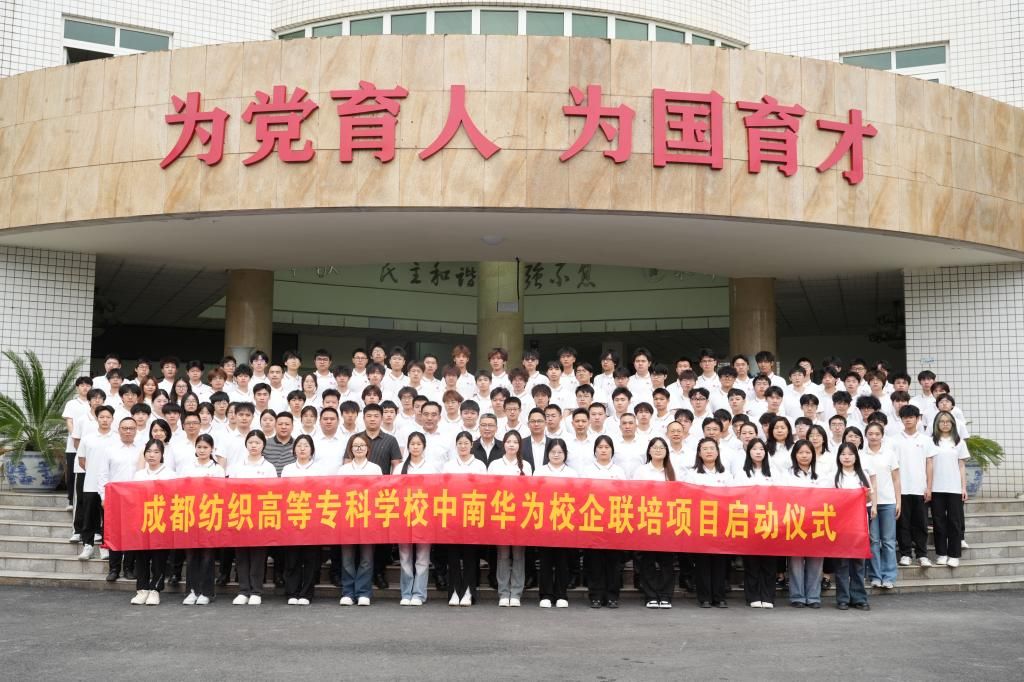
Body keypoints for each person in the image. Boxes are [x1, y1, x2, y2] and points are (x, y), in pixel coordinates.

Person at [227, 430, 278, 605]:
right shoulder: (237, 466)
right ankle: (243, 590)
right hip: (240, 514)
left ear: (263, 445)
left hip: (260, 516)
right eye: (251, 442)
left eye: (257, 442)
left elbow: (273, 492)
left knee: (258, 555)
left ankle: (256, 590)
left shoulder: (268, 467)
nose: (254, 445)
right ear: (246, 444)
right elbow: (230, 490)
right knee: (241, 554)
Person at [487, 430, 533, 606]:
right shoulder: (495, 465)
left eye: (515, 442)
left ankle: (516, 593)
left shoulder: (526, 466)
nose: (512, 445)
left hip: (520, 516)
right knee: (503, 555)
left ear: (520, 445)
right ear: (504, 444)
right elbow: (489, 490)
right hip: (501, 514)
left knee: (519, 554)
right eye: (508, 441)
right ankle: (503, 593)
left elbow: (529, 492)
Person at [177, 434, 223, 606]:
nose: (202, 450)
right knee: (191, 556)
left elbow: (220, 492)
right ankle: (192, 590)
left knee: (207, 556)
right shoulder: (187, 467)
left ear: (212, 449)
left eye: (205, 447)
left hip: (209, 516)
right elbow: (179, 489)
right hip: (190, 515)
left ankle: (206, 591)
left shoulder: (217, 469)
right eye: (199, 447)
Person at [337, 433, 383, 606]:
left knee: (366, 558)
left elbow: (379, 494)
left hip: (368, 518)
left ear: (368, 449)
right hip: (348, 518)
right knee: (347, 558)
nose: (359, 449)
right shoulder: (344, 470)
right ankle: (348, 592)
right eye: (355, 446)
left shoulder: (375, 469)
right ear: (350, 449)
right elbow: (338, 493)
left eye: (362, 446)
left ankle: (363, 592)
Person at [129, 439, 176, 605]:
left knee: (159, 557)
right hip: (142, 521)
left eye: (156, 452)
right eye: (149, 451)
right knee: (141, 556)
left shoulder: (170, 474)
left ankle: (155, 589)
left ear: (162, 454)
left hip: (161, 521)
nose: (152, 455)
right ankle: (142, 589)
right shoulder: (139, 475)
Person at [442, 431, 486, 606]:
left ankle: (468, 591)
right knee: (452, 555)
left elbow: (484, 489)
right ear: (456, 445)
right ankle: (454, 591)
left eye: (466, 443)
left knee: (470, 555)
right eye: (460, 443)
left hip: (472, 514)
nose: (463, 446)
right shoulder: (448, 465)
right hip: (452, 514)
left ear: (471, 445)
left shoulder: (480, 465)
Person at [632, 437, 677, 609]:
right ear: (649, 450)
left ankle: (665, 595)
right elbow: (634, 494)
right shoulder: (641, 471)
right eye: (655, 447)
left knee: (667, 561)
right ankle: (650, 595)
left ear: (666, 451)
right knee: (647, 560)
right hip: (647, 519)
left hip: (668, 521)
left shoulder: (672, 471)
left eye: (661, 447)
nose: (658, 450)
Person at [582, 435, 626, 608]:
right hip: (593, 520)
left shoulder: (619, 471)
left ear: (612, 450)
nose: (603, 450)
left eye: (607, 447)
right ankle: (596, 595)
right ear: (595, 450)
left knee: (613, 561)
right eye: (600, 447)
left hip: (613, 520)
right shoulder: (587, 470)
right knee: (594, 561)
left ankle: (612, 595)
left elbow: (624, 495)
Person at [689, 437, 732, 608]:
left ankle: (719, 596)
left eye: (712, 448)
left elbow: (733, 497)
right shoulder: (692, 475)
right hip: (700, 523)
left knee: (720, 561)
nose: (709, 451)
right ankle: (704, 597)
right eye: (705, 449)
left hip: (722, 523)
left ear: (717, 452)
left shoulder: (726, 474)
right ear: (699, 453)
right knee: (703, 562)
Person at [534, 438, 577, 608]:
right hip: (545, 521)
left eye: (560, 452)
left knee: (562, 560)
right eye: (553, 452)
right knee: (545, 559)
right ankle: (545, 594)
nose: (556, 455)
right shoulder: (540, 471)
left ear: (565, 454)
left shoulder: (572, 473)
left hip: (565, 521)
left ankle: (561, 594)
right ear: (548, 453)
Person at [834, 442, 876, 611]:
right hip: (840, 526)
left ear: (856, 457)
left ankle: (859, 598)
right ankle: (843, 598)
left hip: (859, 526)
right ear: (838, 457)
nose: (847, 457)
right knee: (842, 563)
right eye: (843, 454)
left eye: (850, 454)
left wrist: (865, 497)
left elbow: (869, 499)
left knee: (858, 563)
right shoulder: (834, 476)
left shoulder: (862, 475)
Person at [280, 435, 321, 605]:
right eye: (299, 445)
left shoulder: (319, 470)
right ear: (294, 449)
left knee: (311, 558)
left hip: (312, 519)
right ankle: (292, 592)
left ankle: (306, 593)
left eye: (306, 446)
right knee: (292, 558)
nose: (302, 449)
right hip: (292, 518)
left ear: (312, 450)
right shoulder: (288, 469)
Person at [736, 438, 776, 608]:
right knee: (751, 562)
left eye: (761, 449)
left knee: (769, 562)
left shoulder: (774, 472)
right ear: (749, 452)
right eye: (754, 449)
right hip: (749, 521)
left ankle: (768, 596)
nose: (758, 452)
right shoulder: (741, 473)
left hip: (770, 521)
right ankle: (752, 596)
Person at [397, 432, 437, 606]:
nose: (415, 447)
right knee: (405, 556)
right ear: (408, 446)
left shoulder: (431, 467)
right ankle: (406, 593)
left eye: (418, 444)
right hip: (404, 516)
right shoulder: (400, 468)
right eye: (412, 444)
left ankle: (419, 594)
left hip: (424, 516)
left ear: (424, 446)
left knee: (422, 557)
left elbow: (436, 492)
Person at [926, 410, 970, 568]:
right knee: (938, 522)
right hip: (936, 488)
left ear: (952, 424)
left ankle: (954, 554)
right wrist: (928, 487)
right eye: (941, 421)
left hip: (954, 488)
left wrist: (963, 488)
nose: (945, 424)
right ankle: (942, 554)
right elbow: (928, 464)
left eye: (948, 421)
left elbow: (962, 466)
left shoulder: (959, 442)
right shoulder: (930, 442)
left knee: (954, 522)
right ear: (936, 424)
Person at [892, 405, 932, 567]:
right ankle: (905, 554)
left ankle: (922, 554)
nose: (908, 420)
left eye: (911, 417)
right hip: (901, 489)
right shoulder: (894, 440)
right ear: (901, 419)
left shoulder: (926, 440)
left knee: (921, 523)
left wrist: (929, 487)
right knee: (903, 523)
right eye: (905, 417)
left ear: (918, 419)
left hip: (920, 488)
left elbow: (929, 464)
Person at [786, 439, 824, 608]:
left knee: (816, 560)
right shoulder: (787, 475)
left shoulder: (821, 475)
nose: (804, 455)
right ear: (795, 455)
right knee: (795, 561)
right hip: (794, 521)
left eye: (808, 452)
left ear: (813, 455)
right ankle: (798, 596)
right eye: (800, 452)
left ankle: (814, 596)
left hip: (816, 522)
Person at [862, 422, 900, 589]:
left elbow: (896, 479)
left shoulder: (889, 454)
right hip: (870, 504)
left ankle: (889, 576)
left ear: (882, 436)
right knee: (873, 541)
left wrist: (898, 502)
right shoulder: (861, 454)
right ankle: (875, 576)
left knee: (889, 541)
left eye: (877, 434)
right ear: (866, 435)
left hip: (888, 502)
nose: (874, 437)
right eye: (870, 433)